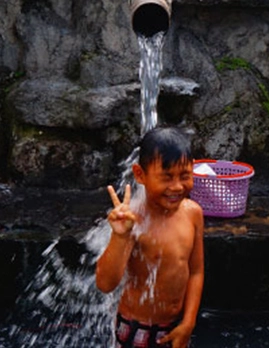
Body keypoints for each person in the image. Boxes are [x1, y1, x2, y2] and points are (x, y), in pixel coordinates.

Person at [96, 126, 204, 348]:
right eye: (166, 178)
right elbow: (106, 283)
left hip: (176, 327)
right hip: (137, 329)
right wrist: (120, 236)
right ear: (140, 175)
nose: (176, 186)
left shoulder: (193, 213)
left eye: (185, 176)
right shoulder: (133, 220)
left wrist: (189, 322)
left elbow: (196, 271)